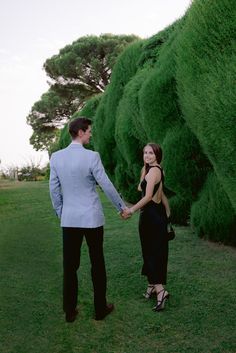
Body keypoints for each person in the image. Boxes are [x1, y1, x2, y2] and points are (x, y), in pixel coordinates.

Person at [49, 117, 127, 322]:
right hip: (91, 219)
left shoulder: (56, 157)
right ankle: (100, 309)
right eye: (89, 131)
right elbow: (106, 185)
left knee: (70, 266)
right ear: (81, 132)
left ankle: (69, 311)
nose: (91, 134)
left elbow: (54, 190)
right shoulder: (92, 157)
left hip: (69, 219)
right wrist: (121, 207)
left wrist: (61, 212)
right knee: (97, 264)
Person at [122, 143, 171, 311]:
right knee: (153, 251)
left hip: (150, 217)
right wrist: (168, 212)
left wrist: (131, 209)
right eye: (145, 153)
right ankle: (151, 286)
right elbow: (160, 193)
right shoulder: (156, 170)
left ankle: (160, 290)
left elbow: (148, 196)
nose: (147, 155)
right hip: (157, 216)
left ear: (157, 154)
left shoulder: (152, 172)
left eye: (151, 153)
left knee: (151, 253)